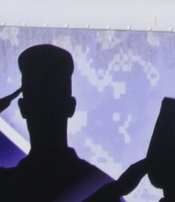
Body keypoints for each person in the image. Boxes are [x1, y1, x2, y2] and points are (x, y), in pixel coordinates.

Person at [0, 44, 124, 202]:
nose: (46, 111)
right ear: (71, 107)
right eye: (41, 102)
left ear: (24, 109)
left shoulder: (6, 187)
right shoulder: (101, 189)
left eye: (49, 102)